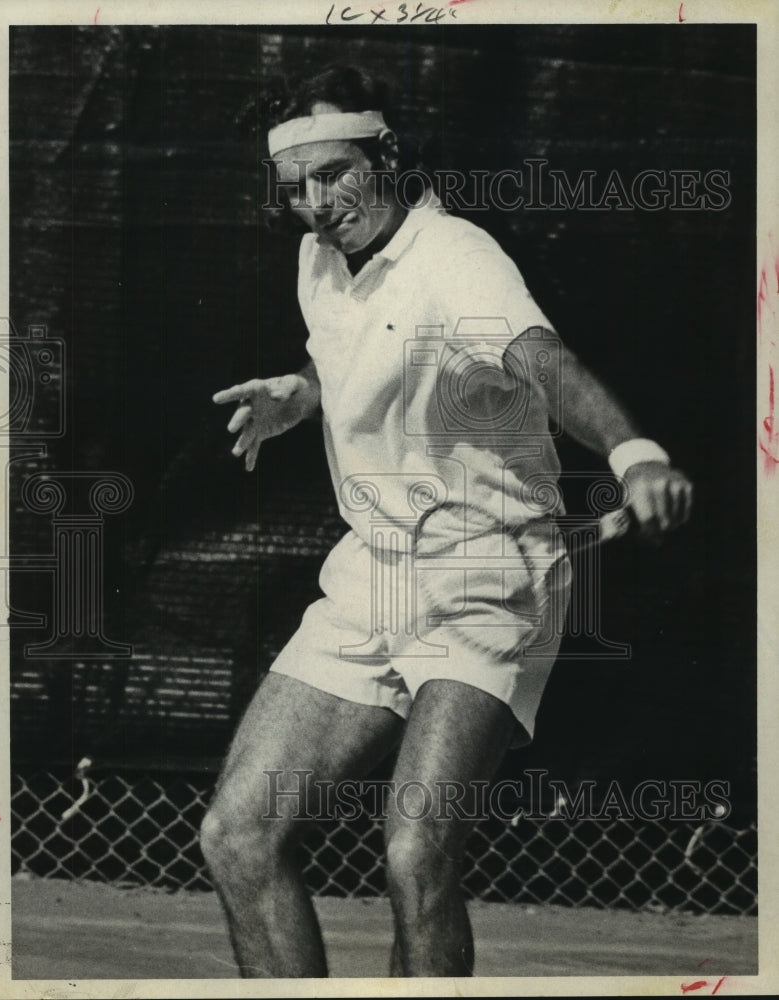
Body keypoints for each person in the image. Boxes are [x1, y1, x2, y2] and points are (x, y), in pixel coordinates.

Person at [200, 65, 693, 978]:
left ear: (387, 153)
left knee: (415, 857)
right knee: (237, 834)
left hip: (489, 581)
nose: (315, 204)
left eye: (335, 174)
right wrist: (297, 396)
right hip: (372, 575)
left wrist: (633, 454)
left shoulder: (458, 261)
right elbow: (355, 362)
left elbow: (542, 363)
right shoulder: (317, 257)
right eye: (295, 187)